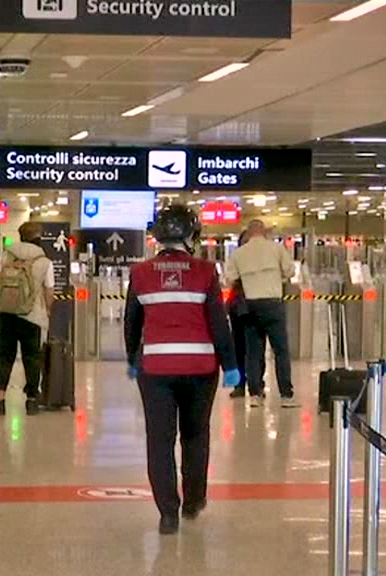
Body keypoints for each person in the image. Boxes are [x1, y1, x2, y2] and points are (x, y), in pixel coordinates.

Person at [124, 205, 239, 535]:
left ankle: (168, 514)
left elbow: (133, 322)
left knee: (159, 440)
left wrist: (134, 358)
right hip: (200, 367)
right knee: (195, 434)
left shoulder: (141, 272)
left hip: (156, 367)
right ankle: (193, 501)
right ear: (192, 235)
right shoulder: (205, 271)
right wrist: (230, 365)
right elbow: (219, 323)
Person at [0, 222, 54, 417]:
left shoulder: (7, 254)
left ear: (20, 236)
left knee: (4, 356)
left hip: (6, 314)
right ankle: (31, 402)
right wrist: (47, 311)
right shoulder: (44, 261)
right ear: (38, 237)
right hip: (32, 316)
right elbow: (49, 290)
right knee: (32, 357)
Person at [225, 220, 298, 408]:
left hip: (250, 305)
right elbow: (290, 271)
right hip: (273, 303)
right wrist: (276, 277)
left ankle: (255, 394)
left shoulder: (238, 253)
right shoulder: (276, 249)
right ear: (264, 232)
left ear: (248, 233)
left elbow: (230, 277)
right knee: (280, 350)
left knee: (253, 352)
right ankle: (286, 395)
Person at [226, 230, 266, 399]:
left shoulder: (241, 258)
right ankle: (245, 384)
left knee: (253, 348)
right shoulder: (241, 258)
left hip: (249, 304)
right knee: (244, 347)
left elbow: (230, 278)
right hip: (243, 305)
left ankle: (253, 383)